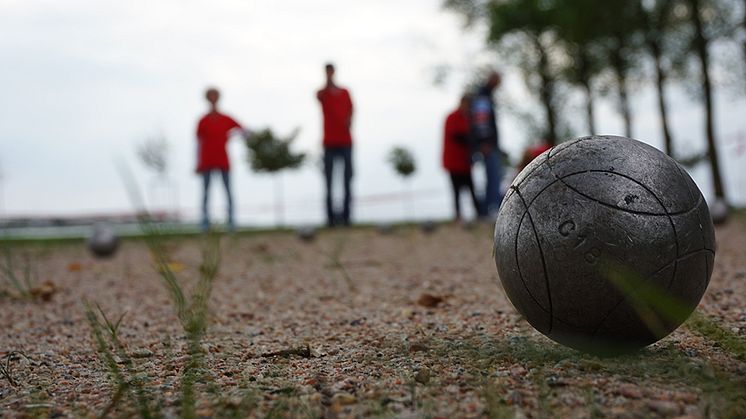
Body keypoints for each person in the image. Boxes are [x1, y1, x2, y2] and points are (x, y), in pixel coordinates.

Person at [195, 87, 249, 232]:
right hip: (206, 161)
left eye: (215, 96)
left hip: (223, 160)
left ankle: (231, 223)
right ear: (207, 98)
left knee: (228, 192)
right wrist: (197, 163)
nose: (213, 99)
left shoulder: (226, 119)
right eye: (210, 96)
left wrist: (232, 135)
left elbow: (245, 130)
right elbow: (198, 143)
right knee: (206, 193)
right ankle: (205, 224)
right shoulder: (203, 121)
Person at [317, 63, 354, 226]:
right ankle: (331, 219)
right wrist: (328, 81)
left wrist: (348, 121)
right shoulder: (322, 93)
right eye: (328, 72)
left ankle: (346, 218)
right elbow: (321, 96)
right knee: (329, 181)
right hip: (329, 143)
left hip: (346, 142)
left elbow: (352, 111)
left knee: (347, 180)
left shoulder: (345, 92)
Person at [470, 70, 504, 218]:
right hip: (488, 145)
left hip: (489, 144)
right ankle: (489, 210)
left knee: (493, 177)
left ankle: (487, 210)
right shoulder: (483, 96)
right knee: (493, 177)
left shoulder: (484, 95)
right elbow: (481, 120)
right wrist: (485, 143)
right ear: (493, 80)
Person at [443, 94, 481, 222]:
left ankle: (477, 213)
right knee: (456, 190)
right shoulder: (452, 117)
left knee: (471, 188)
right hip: (454, 162)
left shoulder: (467, 118)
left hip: (464, 162)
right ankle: (458, 216)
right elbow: (457, 137)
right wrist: (472, 142)